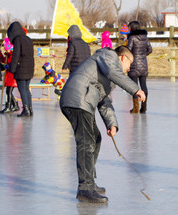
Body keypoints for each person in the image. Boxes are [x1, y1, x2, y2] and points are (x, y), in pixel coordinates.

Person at [59, 46, 146, 203]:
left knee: (96, 138)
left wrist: (111, 123)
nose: (129, 68)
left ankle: (89, 182)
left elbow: (104, 100)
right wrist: (135, 89)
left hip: (82, 101)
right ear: (122, 57)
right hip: (77, 99)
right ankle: (85, 188)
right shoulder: (108, 56)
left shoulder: (107, 73)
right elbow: (115, 73)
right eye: (130, 63)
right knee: (86, 142)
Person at [7, 21, 34, 117]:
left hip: (21, 69)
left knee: (22, 90)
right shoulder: (28, 39)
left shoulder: (18, 40)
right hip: (29, 69)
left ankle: (26, 110)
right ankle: (30, 109)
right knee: (26, 89)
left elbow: (16, 56)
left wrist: (11, 69)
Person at [127, 21, 152, 114]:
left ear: (132, 28)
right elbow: (150, 49)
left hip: (133, 65)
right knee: (143, 85)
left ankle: (136, 108)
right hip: (143, 65)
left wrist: (133, 57)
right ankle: (144, 107)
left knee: (134, 86)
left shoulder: (132, 38)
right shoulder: (145, 38)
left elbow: (128, 50)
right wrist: (142, 55)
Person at [0, 37, 19, 113]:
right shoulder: (8, 55)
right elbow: (3, 60)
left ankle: (9, 106)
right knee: (8, 91)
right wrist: (0, 53)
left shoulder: (13, 55)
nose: (6, 50)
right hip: (8, 76)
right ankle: (14, 105)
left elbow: (13, 64)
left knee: (9, 91)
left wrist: (9, 66)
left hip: (12, 76)